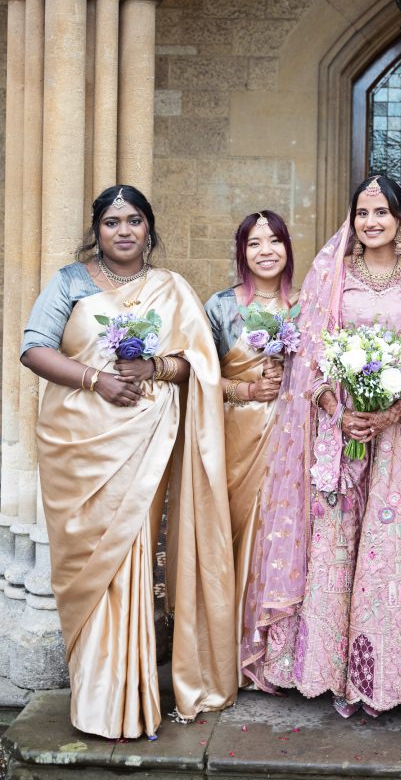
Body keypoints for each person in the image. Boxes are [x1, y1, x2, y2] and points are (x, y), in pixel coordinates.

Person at [20, 185, 237, 739]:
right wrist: (97, 380)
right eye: (112, 221)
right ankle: (96, 698)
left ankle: (131, 698)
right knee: (87, 565)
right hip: (78, 445)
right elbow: (34, 348)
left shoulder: (171, 288)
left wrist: (155, 369)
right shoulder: (68, 282)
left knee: (133, 557)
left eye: (134, 221)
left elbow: (198, 366)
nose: (123, 230)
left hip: (143, 442)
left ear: (149, 229)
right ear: (97, 230)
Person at [241, 174, 401, 716]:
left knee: (386, 550)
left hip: (394, 441)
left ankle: (382, 679)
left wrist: (392, 412)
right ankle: (324, 671)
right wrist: (339, 408)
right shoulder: (331, 274)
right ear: (352, 220)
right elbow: (308, 359)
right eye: (362, 213)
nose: (371, 222)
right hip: (337, 435)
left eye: (381, 213)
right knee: (332, 544)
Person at [205, 210, 299, 683]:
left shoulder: (307, 305)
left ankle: (278, 657)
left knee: (282, 538)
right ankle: (234, 654)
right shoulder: (221, 308)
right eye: (255, 243)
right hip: (237, 438)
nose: (266, 251)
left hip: (293, 440)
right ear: (242, 252)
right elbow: (199, 379)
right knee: (240, 536)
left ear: (288, 248)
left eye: (275, 241)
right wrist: (247, 390)